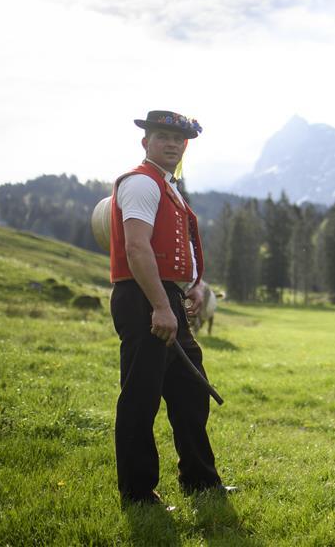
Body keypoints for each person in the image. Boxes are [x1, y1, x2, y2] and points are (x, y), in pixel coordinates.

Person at [109, 110, 227, 505]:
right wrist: (161, 306)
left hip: (165, 298)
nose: (173, 144)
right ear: (146, 142)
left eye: (179, 139)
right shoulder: (142, 183)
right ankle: (138, 493)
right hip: (144, 299)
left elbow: (170, 252)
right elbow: (137, 247)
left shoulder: (166, 186)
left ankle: (200, 480)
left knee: (191, 393)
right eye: (163, 136)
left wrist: (192, 287)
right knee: (140, 397)